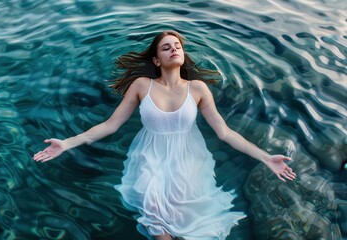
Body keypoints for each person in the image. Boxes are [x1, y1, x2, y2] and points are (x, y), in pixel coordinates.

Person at [33, 30, 296, 240]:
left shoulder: (198, 88)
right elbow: (110, 125)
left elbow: (225, 132)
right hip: (150, 154)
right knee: (155, 214)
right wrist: (67, 143)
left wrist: (266, 158)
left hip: (188, 156)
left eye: (177, 46)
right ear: (157, 60)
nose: (174, 49)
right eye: (166, 47)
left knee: (191, 217)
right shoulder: (141, 85)